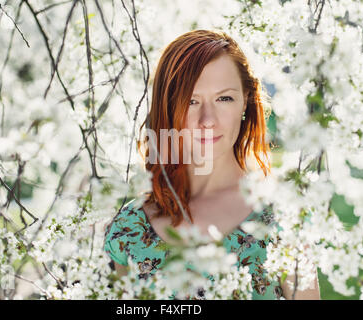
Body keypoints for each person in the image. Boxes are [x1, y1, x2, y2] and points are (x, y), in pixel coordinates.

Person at [104, 29, 320, 300]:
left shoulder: (284, 218)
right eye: (191, 101)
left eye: (224, 98)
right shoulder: (129, 228)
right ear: (168, 109)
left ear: (245, 102)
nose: (207, 120)